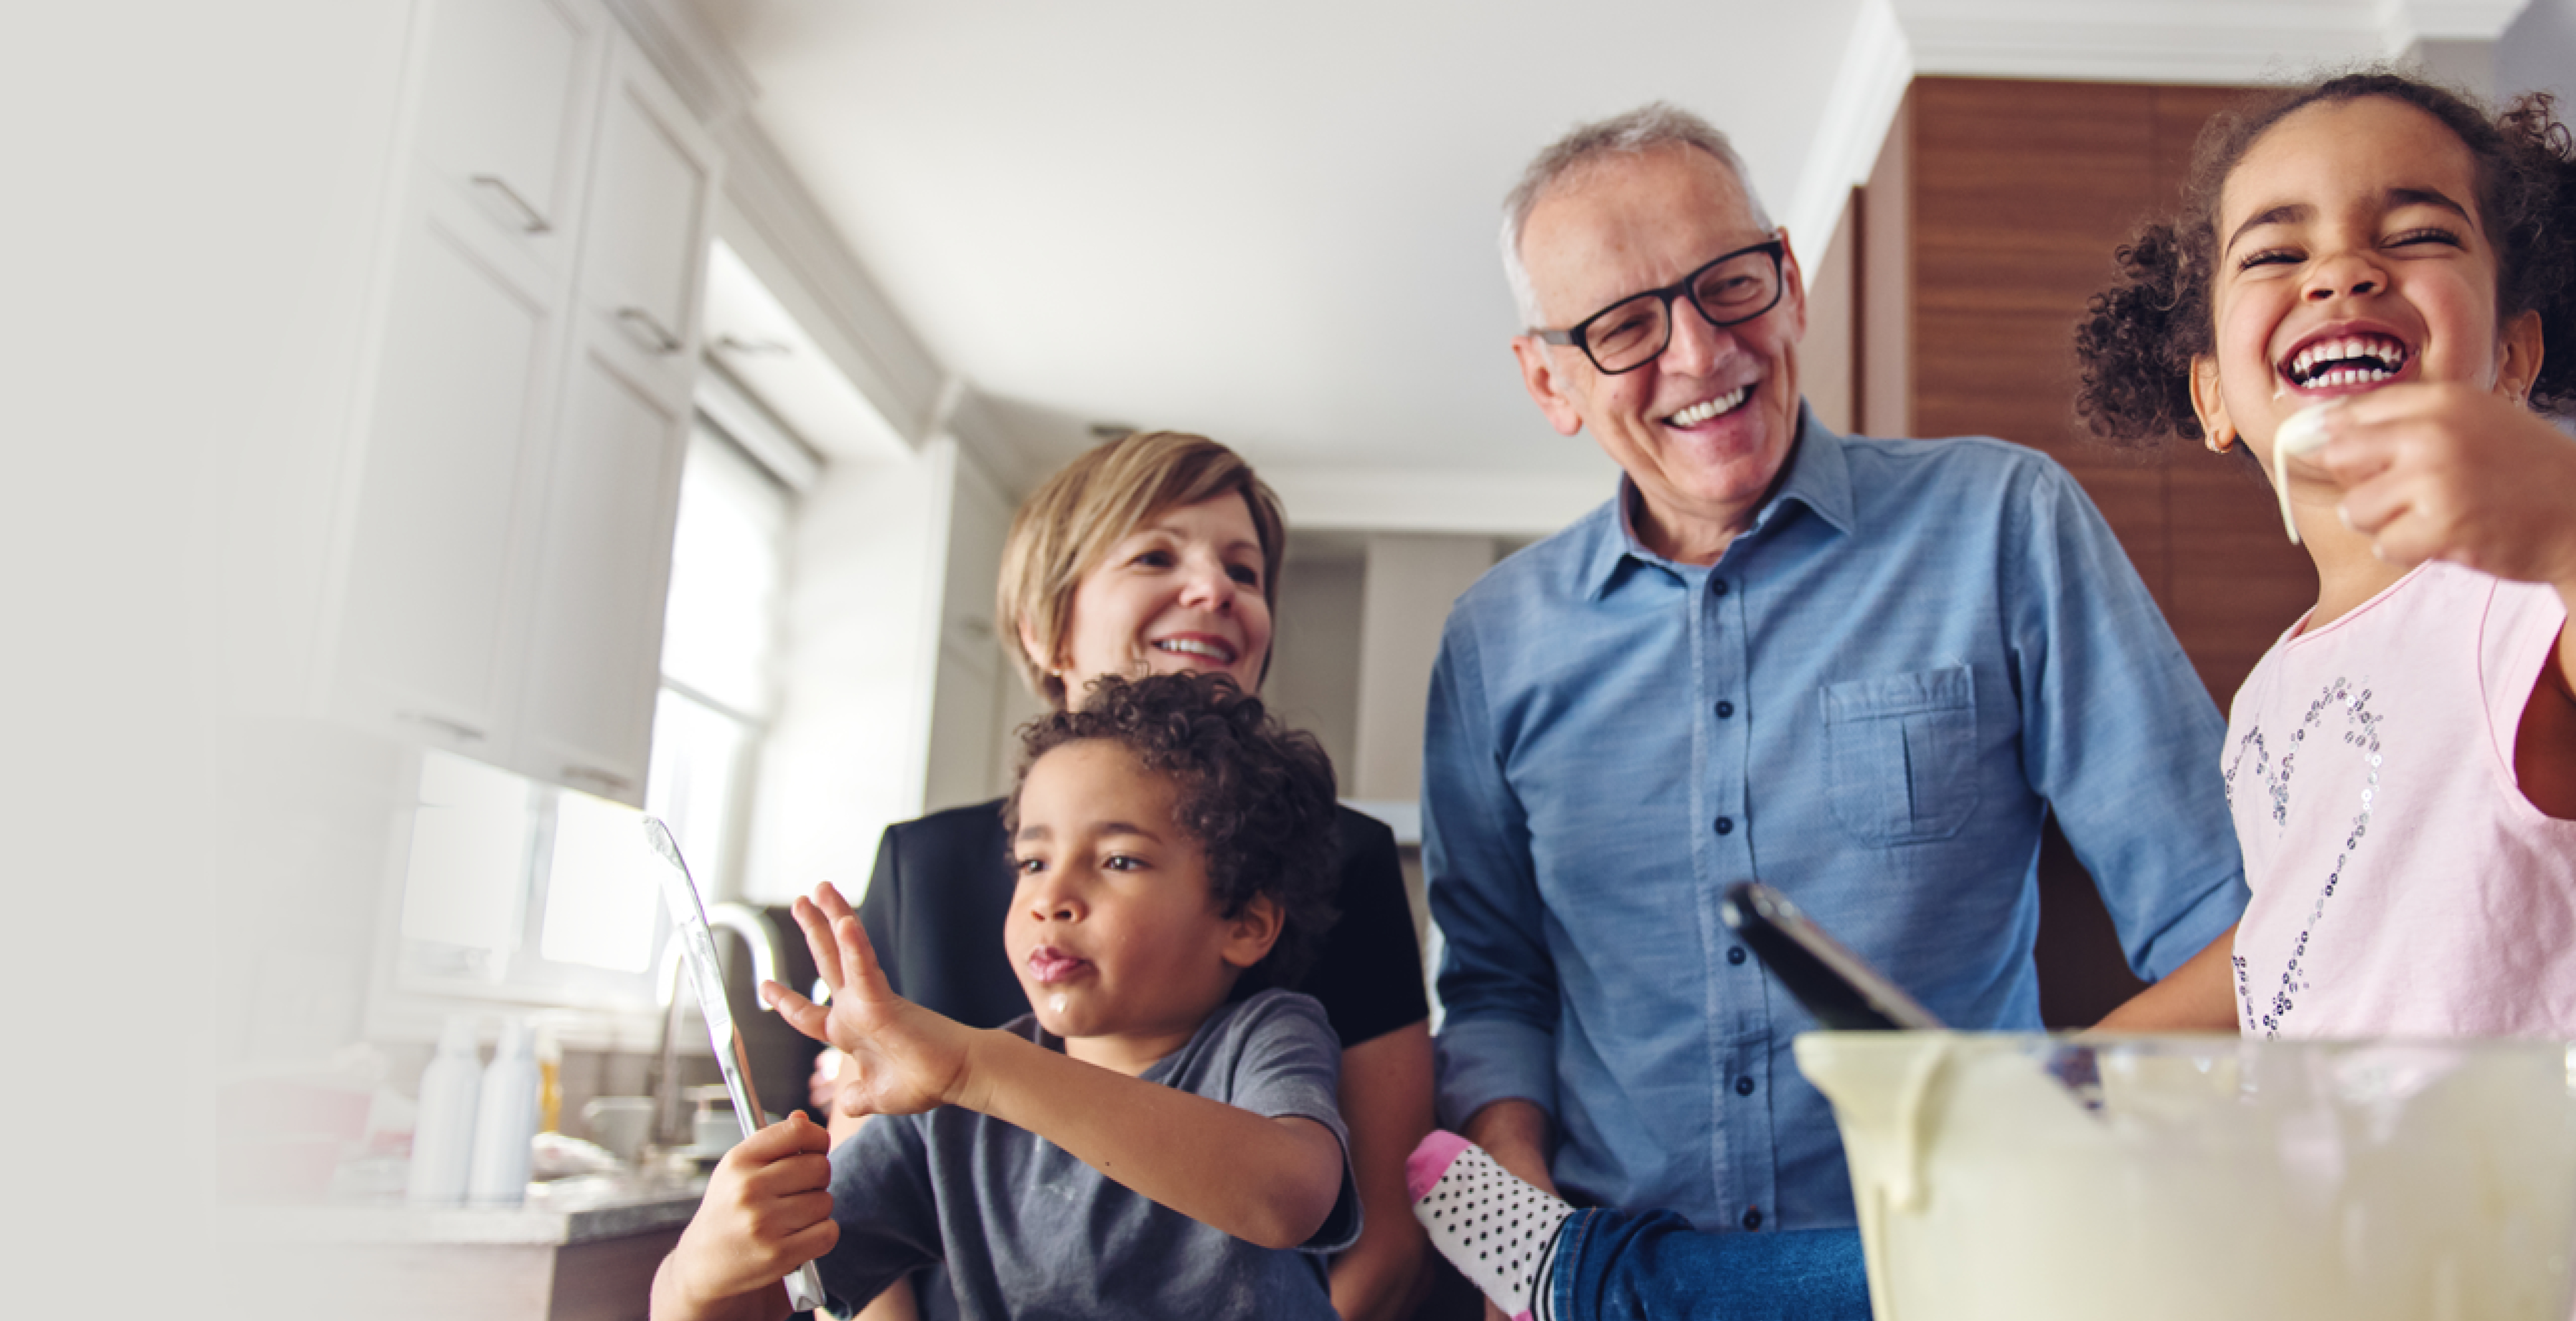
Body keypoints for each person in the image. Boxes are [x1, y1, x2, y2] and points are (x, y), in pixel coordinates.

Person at [1425, 100, 2246, 1258]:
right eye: (1623, 326)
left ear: (1791, 282)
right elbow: (1498, 991)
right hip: (1624, 1274)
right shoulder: (1490, 641)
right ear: (1549, 381)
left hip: (1958, 1255)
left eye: (1730, 284)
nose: (1701, 353)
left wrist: (2049, 1114)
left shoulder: (2002, 523)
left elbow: (2222, 918)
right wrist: (1521, 1243)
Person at [827, 431, 1433, 1318]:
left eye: (1246, 571)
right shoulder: (920, 869)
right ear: (1047, 629)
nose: (1217, 589)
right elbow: (861, 1220)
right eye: (1157, 555)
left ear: (1253, 919)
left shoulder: (1348, 863)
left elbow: (1376, 1225)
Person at [2075, 72, 2576, 1037]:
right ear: (2214, 397)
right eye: (2276, 251)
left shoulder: (2524, 599)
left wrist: (2561, 522)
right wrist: (2085, 1057)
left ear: (2514, 358)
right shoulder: (2268, 696)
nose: (2341, 272)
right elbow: (2309, 931)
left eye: (2419, 234)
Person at [651, 675, 1359, 1321]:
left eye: (1119, 860)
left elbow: (1289, 1196)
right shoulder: (954, 1108)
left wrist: (975, 1071)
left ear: (1246, 923)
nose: (1051, 897)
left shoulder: (1265, 1035)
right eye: (1033, 861)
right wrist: (698, 1274)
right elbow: (768, 1299)